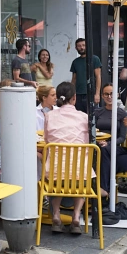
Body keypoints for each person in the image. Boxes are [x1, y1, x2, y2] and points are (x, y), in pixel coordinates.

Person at [42, 82, 91, 234]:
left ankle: (56, 214)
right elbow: (87, 142)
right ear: (74, 98)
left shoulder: (49, 116)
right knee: (82, 169)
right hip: (80, 178)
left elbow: (47, 141)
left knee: (55, 170)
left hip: (54, 177)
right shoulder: (84, 117)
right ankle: (76, 216)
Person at [70, 38, 101, 113]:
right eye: (79, 46)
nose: (82, 47)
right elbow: (74, 79)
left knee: (92, 116)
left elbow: (98, 77)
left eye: (84, 45)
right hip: (78, 95)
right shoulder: (75, 62)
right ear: (76, 48)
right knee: (79, 117)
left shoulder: (95, 59)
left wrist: (97, 94)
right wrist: (70, 93)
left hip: (90, 93)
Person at [93, 83, 127, 147]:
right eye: (106, 94)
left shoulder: (123, 114)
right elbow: (93, 130)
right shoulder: (97, 112)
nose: (109, 96)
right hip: (97, 143)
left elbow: (122, 137)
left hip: (113, 146)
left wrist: (108, 143)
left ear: (117, 95)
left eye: (112, 93)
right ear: (102, 96)